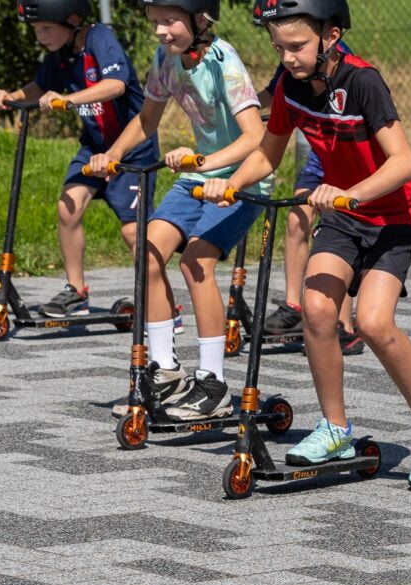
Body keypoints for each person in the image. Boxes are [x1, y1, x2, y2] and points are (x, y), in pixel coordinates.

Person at [203, 0, 411, 488]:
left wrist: (350, 194)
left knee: (374, 323)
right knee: (317, 310)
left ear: (332, 35)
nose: (288, 58)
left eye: (297, 46)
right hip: (342, 218)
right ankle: (335, 428)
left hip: (389, 215)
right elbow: (269, 153)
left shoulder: (364, 81)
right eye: (278, 47)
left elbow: (404, 162)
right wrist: (232, 183)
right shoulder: (288, 87)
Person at [90, 0, 269, 420]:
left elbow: (254, 136)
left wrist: (204, 163)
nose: (160, 31)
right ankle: (167, 373)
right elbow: (147, 119)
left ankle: (213, 384)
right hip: (197, 177)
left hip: (242, 180)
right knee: (147, 250)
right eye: (155, 22)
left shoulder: (224, 62)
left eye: (169, 21)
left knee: (195, 262)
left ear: (200, 19)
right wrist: (112, 153)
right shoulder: (166, 58)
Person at [0, 0, 158, 318]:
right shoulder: (61, 56)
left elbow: (116, 84)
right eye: (37, 30)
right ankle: (77, 292)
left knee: (133, 232)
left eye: (46, 28)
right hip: (93, 146)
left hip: (132, 150)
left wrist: (68, 100)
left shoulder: (99, 38)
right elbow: (40, 88)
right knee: (69, 205)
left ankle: (159, 303)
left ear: (74, 19)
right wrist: (9, 97)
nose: (40, 36)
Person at [257, 41, 364, 356]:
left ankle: (343, 326)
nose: (287, 55)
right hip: (320, 158)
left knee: (338, 230)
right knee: (296, 218)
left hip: (346, 154)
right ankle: (294, 306)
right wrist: (242, 107)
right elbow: (270, 95)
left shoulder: (330, 56)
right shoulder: (292, 60)